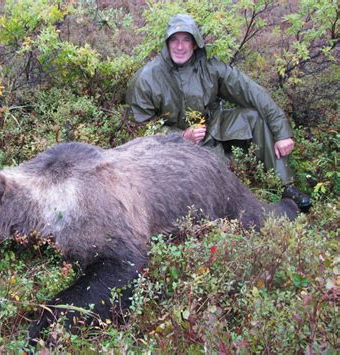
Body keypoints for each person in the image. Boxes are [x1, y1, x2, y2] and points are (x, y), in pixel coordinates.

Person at [126, 13, 311, 211]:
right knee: (209, 182)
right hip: (174, 148)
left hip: (213, 127)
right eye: (174, 40)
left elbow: (252, 93)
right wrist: (179, 137)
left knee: (253, 117)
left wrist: (282, 132)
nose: (179, 47)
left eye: (186, 40)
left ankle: (286, 186)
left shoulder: (210, 67)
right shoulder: (146, 78)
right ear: (167, 42)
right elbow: (137, 130)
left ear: (195, 43)